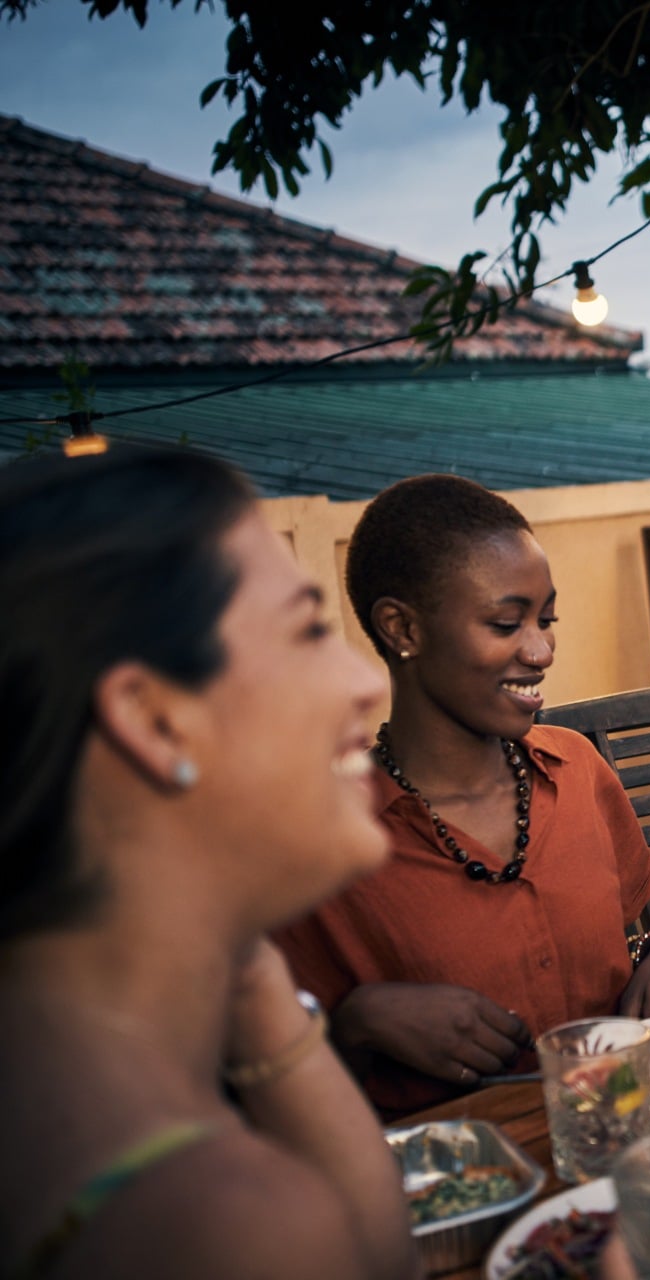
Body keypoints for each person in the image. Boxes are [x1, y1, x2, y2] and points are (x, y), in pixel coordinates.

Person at [0, 447, 414, 1278]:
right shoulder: (222, 1225)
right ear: (153, 723)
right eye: (306, 630)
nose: (366, 683)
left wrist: (239, 951)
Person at [274, 474, 650, 1116]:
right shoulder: (325, 839)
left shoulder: (578, 770)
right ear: (402, 629)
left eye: (546, 619)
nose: (541, 649)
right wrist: (354, 1024)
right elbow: (274, 1086)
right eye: (506, 623)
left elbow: (634, 944)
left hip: (626, 1127)